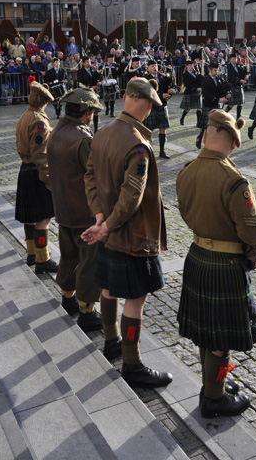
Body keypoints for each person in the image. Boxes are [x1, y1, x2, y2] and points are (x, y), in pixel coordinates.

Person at [81, 77, 172, 389]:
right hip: (133, 236)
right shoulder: (138, 143)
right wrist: (106, 225)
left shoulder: (102, 132)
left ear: (124, 98)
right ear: (146, 105)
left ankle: (111, 341)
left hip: (109, 231)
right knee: (136, 300)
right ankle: (132, 365)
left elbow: (90, 177)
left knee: (108, 289)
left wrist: (99, 218)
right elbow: (132, 196)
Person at [176, 109, 256, 418]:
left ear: (205, 136)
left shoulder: (186, 170)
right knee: (221, 339)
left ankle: (213, 383)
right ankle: (214, 398)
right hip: (225, 265)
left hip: (197, 257)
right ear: (232, 142)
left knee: (207, 332)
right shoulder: (233, 180)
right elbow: (253, 229)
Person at [47, 87, 106, 334]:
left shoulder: (56, 132)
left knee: (68, 255)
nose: (92, 114)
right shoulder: (83, 140)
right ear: (85, 112)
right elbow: (95, 176)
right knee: (88, 262)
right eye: (91, 110)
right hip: (84, 212)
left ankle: (67, 296)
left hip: (63, 208)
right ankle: (86, 310)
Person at [15, 79, 58, 273]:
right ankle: (43, 259)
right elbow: (40, 154)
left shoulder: (25, 115)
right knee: (43, 219)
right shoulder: (39, 121)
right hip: (36, 172)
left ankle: (32, 254)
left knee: (30, 218)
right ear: (42, 101)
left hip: (25, 169)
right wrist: (48, 180)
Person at [143, 59, 175, 159]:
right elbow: (147, 93)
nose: (155, 67)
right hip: (151, 106)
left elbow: (167, 88)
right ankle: (147, 151)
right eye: (152, 66)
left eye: (155, 65)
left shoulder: (162, 76)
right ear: (148, 68)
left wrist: (170, 92)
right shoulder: (145, 79)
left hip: (162, 106)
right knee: (149, 130)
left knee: (163, 129)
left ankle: (162, 151)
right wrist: (161, 95)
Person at [196, 61, 230, 149]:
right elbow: (206, 94)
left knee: (215, 126)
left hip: (216, 105)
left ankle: (213, 143)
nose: (216, 72)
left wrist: (226, 94)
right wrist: (218, 99)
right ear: (209, 70)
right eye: (215, 70)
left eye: (217, 70)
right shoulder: (205, 80)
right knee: (206, 126)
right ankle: (200, 137)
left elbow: (221, 90)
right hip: (208, 105)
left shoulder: (218, 78)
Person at [77, 57, 102, 132]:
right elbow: (80, 83)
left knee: (96, 111)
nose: (89, 63)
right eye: (87, 61)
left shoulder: (93, 69)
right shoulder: (80, 72)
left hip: (94, 93)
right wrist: (90, 87)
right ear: (83, 63)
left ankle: (96, 128)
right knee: (87, 111)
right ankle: (85, 127)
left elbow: (98, 77)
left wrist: (99, 82)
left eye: (90, 61)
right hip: (86, 93)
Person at [179, 59, 202, 126]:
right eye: (189, 65)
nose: (190, 66)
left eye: (191, 65)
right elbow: (187, 85)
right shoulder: (185, 75)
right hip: (189, 92)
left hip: (197, 92)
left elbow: (199, 80)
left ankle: (199, 122)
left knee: (199, 108)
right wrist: (196, 88)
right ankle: (182, 118)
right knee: (187, 109)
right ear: (186, 66)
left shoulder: (196, 72)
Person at [225, 53, 248, 120]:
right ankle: (223, 114)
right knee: (231, 105)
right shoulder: (228, 67)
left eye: (236, 58)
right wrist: (239, 81)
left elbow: (243, 74)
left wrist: (245, 77)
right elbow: (230, 77)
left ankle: (238, 118)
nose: (235, 60)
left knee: (240, 103)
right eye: (233, 59)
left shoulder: (239, 66)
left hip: (239, 86)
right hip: (232, 86)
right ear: (230, 59)